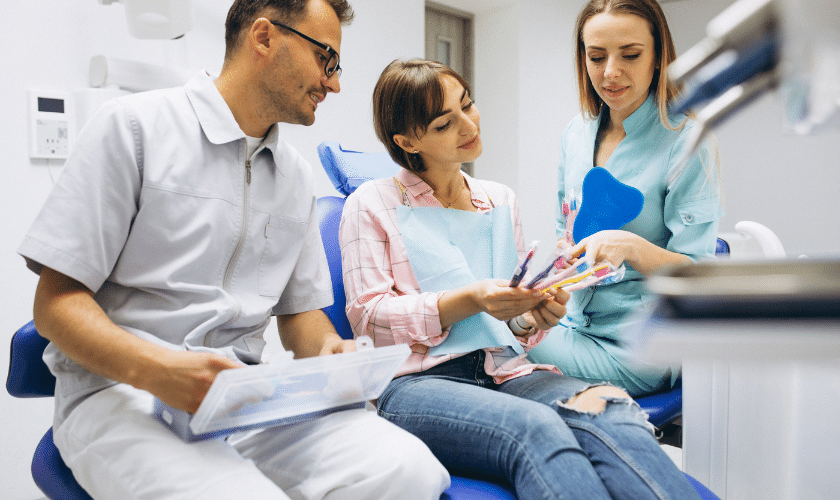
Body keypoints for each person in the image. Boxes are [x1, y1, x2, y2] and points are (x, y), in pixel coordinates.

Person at [17, 2, 449, 499]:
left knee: (409, 470)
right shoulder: (133, 129)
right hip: (122, 394)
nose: (333, 84)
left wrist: (335, 357)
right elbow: (55, 305)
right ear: (264, 38)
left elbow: (302, 318)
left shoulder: (293, 175)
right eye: (325, 59)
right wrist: (161, 371)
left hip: (246, 398)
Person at [340, 58, 701, 500]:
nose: (467, 124)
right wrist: (471, 298)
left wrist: (533, 317)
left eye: (467, 105)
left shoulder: (497, 200)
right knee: (538, 428)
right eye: (443, 123)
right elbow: (369, 318)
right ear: (407, 140)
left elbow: (510, 328)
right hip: (415, 384)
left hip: (505, 370)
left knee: (611, 410)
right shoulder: (370, 204)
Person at [527, 0, 724, 397]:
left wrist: (631, 247)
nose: (610, 72)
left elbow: (701, 279)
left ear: (657, 58)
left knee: (495, 344)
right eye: (596, 57)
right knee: (501, 330)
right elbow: (564, 228)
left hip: (643, 343)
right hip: (575, 324)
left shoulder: (688, 141)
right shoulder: (576, 133)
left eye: (630, 55)